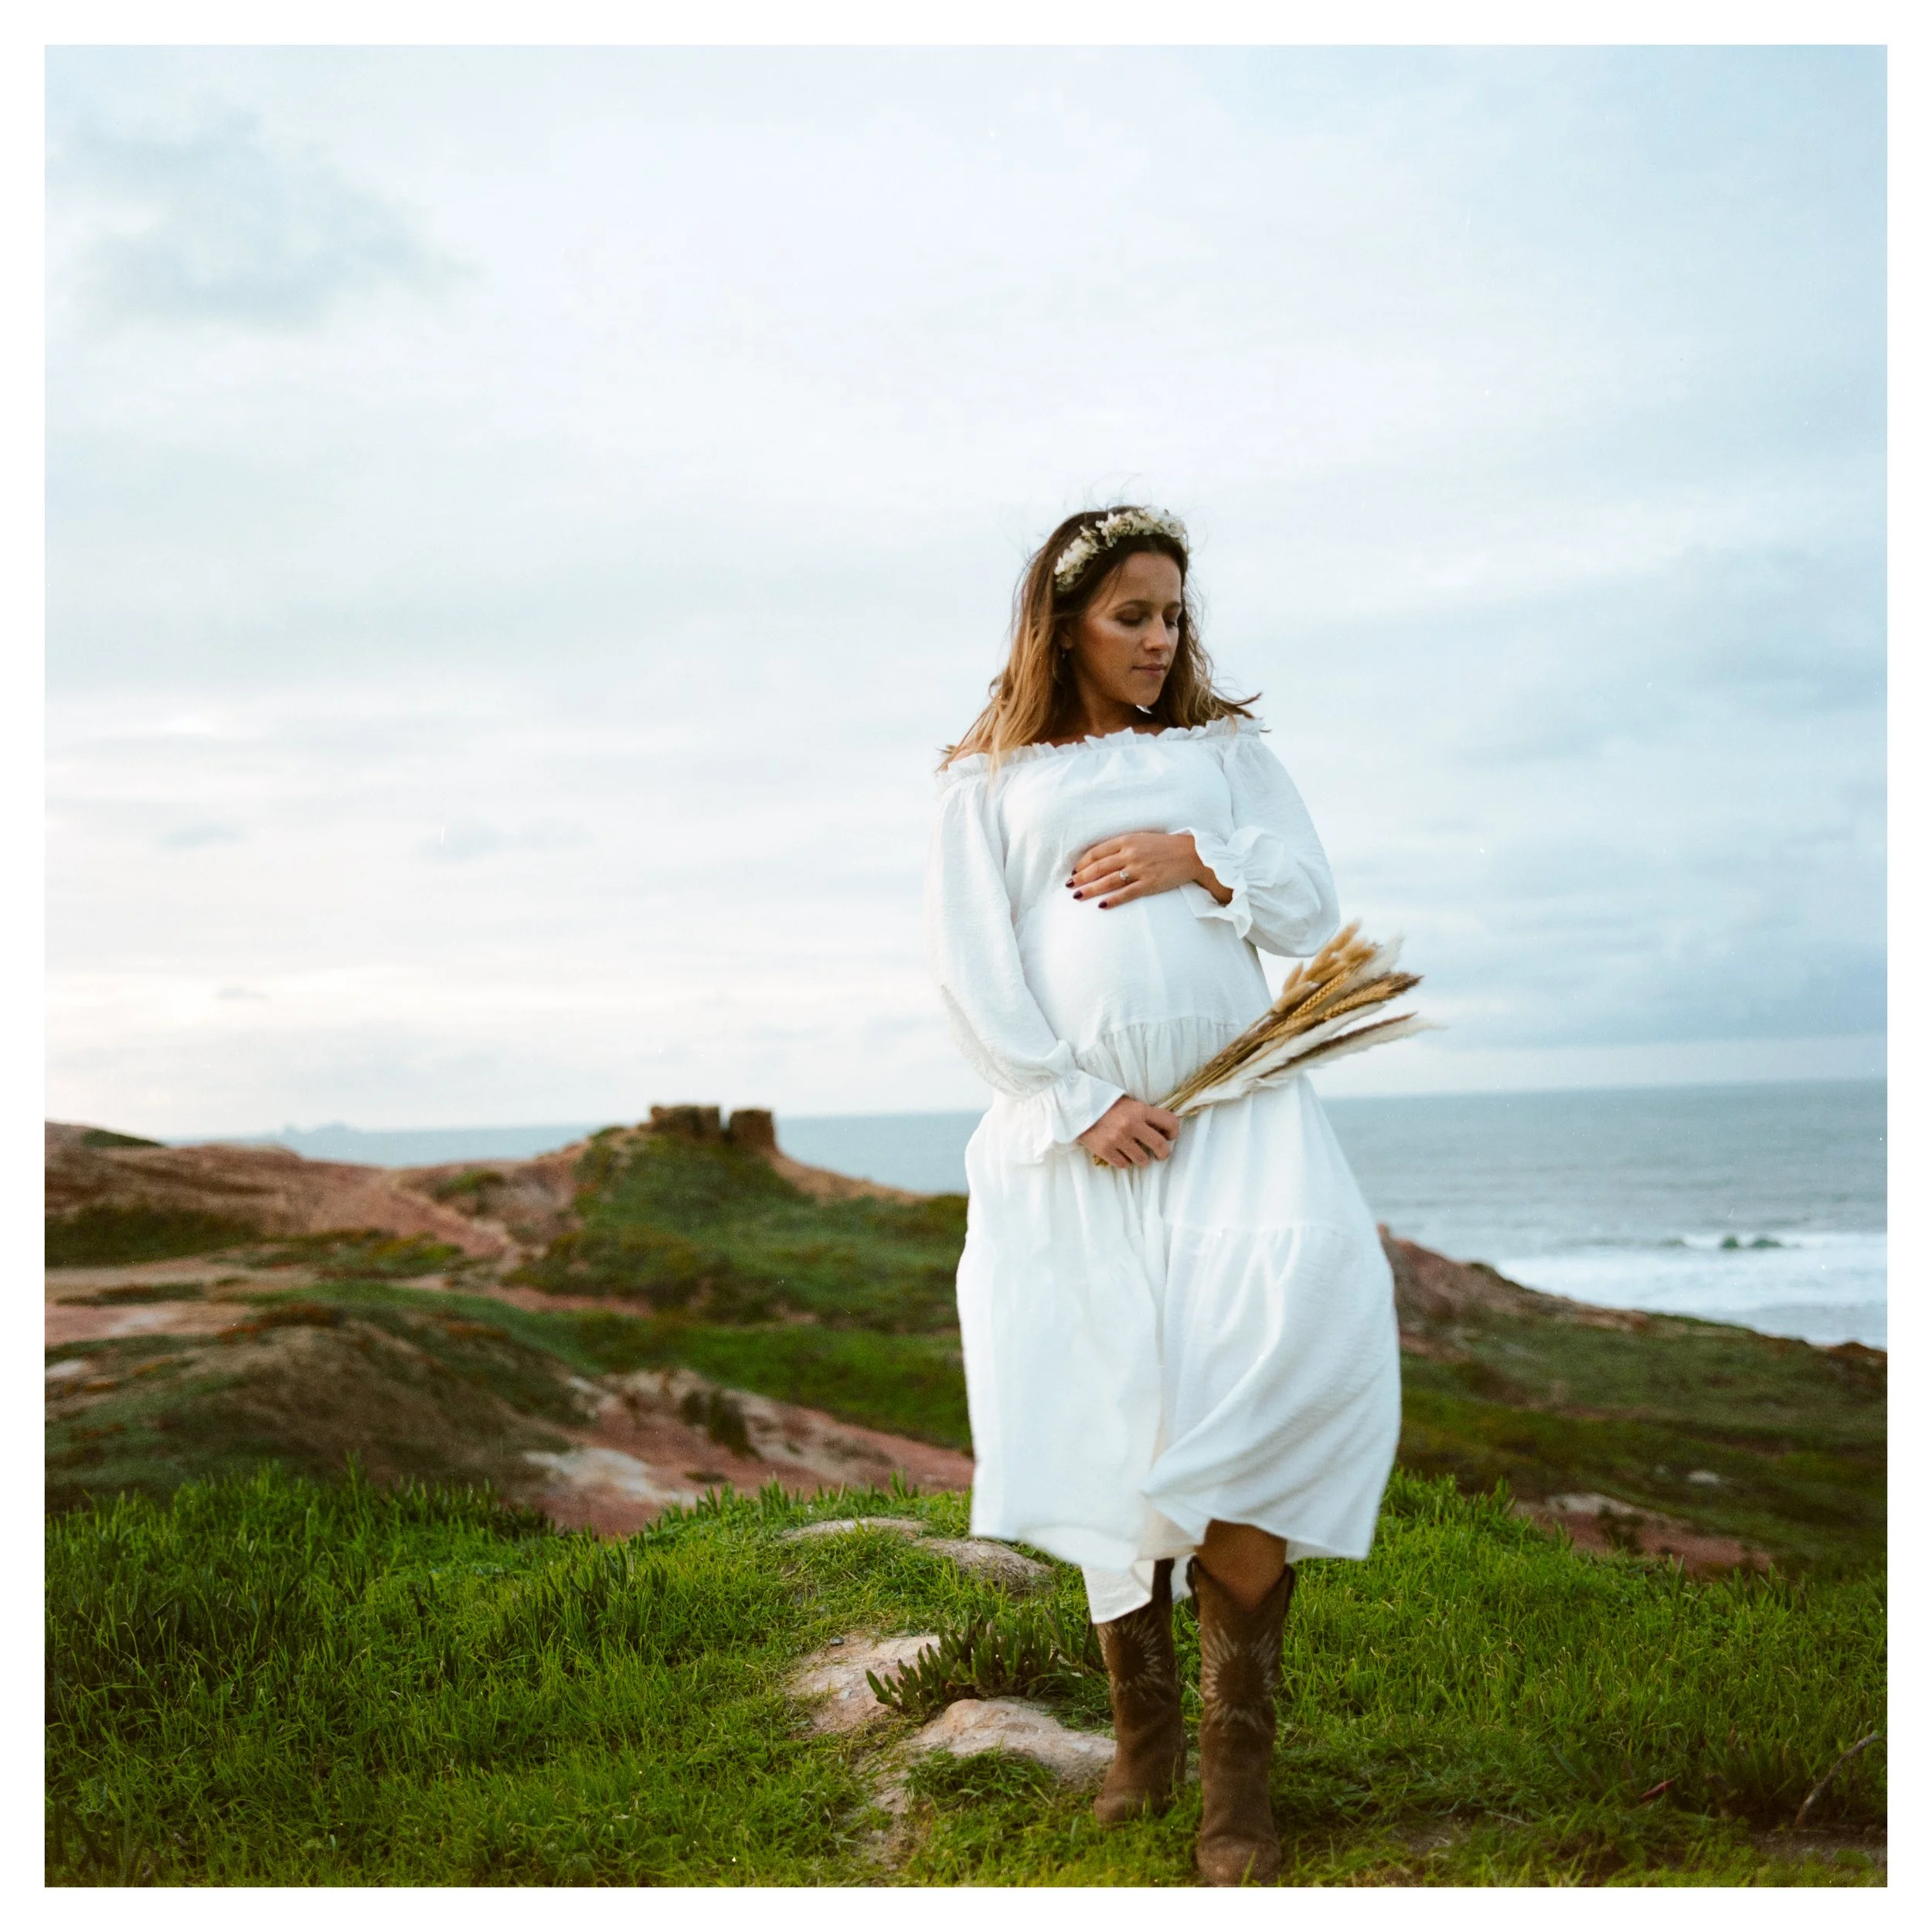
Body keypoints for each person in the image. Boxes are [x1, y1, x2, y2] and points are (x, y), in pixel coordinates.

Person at [923, 505, 1401, 1886]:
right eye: (1132, 613)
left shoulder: (1229, 760)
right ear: (1065, 620)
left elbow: (1312, 911)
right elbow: (972, 972)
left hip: (1239, 1118)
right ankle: (1146, 1747)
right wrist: (1078, 1108)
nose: (1159, 638)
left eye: (1174, 613)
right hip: (1078, 1144)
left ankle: (1238, 1786)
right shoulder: (989, 783)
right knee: (1111, 1416)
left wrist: (1200, 855)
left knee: (1263, 1380)